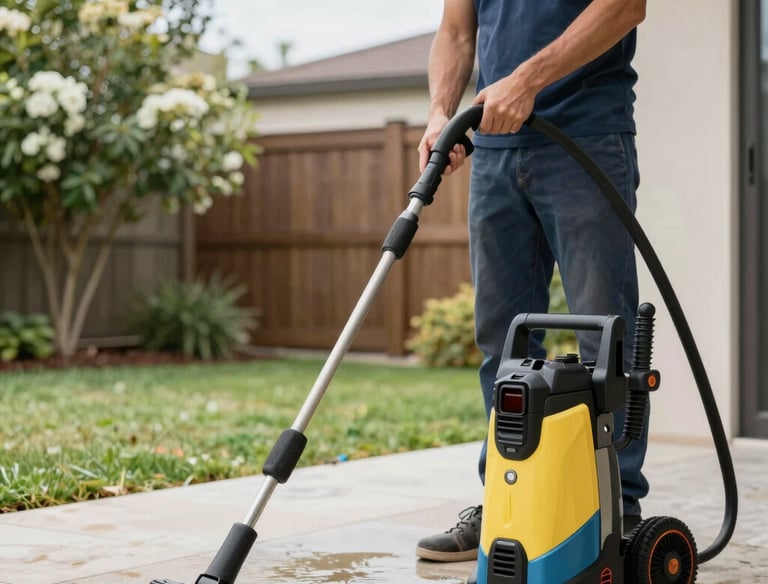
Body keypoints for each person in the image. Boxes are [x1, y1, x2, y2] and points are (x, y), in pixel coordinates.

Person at [415, 0, 649, 563]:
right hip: (495, 152)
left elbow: (625, 7)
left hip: (586, 137)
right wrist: (440, 113)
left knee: (605, 334)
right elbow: (455, 31)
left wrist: (525, 79)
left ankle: (617, 508)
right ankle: (505, 502)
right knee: (502, 340)